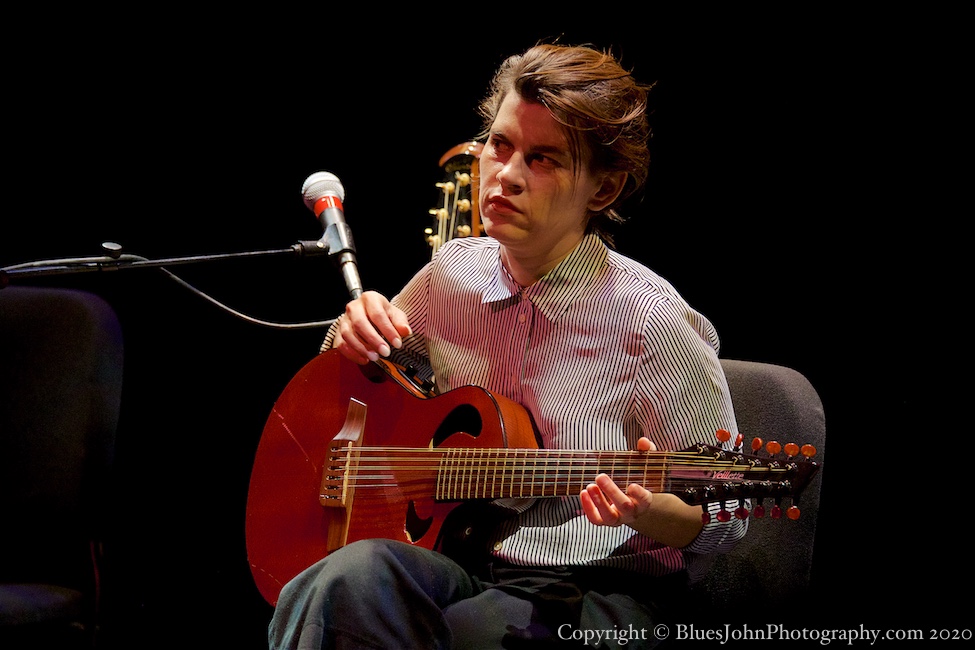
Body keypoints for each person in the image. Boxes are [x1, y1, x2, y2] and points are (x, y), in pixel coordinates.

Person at [268, 42, 746, 649]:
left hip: (599, 588)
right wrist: (354, 335)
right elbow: (351, 386)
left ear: (603, 190)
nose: (506, 175)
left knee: (473, 634)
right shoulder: (452, 275)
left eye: (543, 159)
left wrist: (648, 511)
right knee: (345, 580)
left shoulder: (653, 323)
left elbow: (729, 511)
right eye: (500, 145)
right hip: (464, 557)